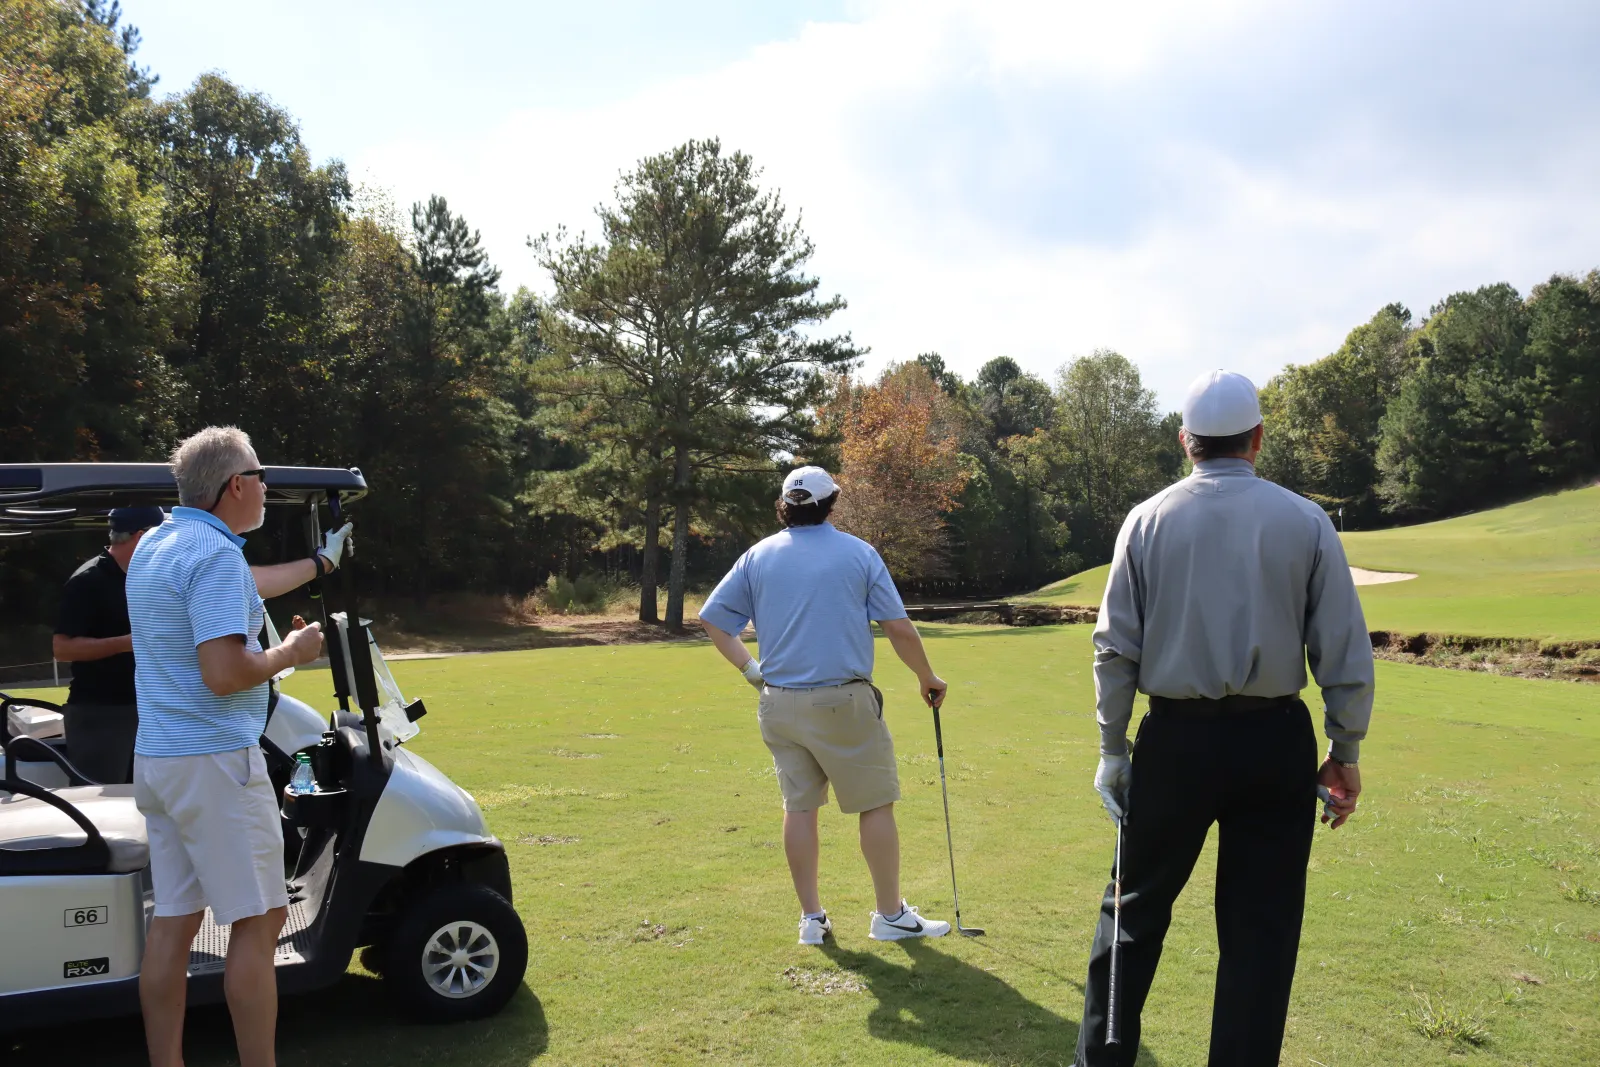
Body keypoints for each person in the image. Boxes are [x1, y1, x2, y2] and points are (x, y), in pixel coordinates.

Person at [1074, 370, 1375, 1067]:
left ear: (1186, 442)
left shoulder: (1146, 520)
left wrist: (1112, 748)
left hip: (1175, 740)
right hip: (1274, 741)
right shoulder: (1305, 521)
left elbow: (1114, 648)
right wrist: (1345, 747)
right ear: (1258, 439)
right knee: (1260, 930)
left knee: (1133, 913)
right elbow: (1343, 648)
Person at [127, 426, 349, 1067]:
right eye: (260, 476)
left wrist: (318, 565)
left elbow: (245, 584)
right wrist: (293, 652)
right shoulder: (216, 556)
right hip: (217, 761)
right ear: (236, 486)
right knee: (259, 922)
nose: (266, 487)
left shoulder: (157, 545)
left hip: (161, 761)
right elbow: (224, 674)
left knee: (173, 922)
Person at [699, 465, 954, 946]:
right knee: (875, 803)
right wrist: (927, 677)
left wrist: (752, 672)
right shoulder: (858, 554)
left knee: (799, 809)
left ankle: (812, 920)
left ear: (785, 503)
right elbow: (897, 627)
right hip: (843, 702)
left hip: (778, 704)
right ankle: (890, 915)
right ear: (830, 501)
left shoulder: (757, 556)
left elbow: (713, 620)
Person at [52, 506, 165, 783]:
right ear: (142, 536)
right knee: (99, 805)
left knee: (142, 802)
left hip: (145, 710)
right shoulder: (88, 580)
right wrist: (127, 643)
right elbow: (62, 648)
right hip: (101, 714)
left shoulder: (146, 576)